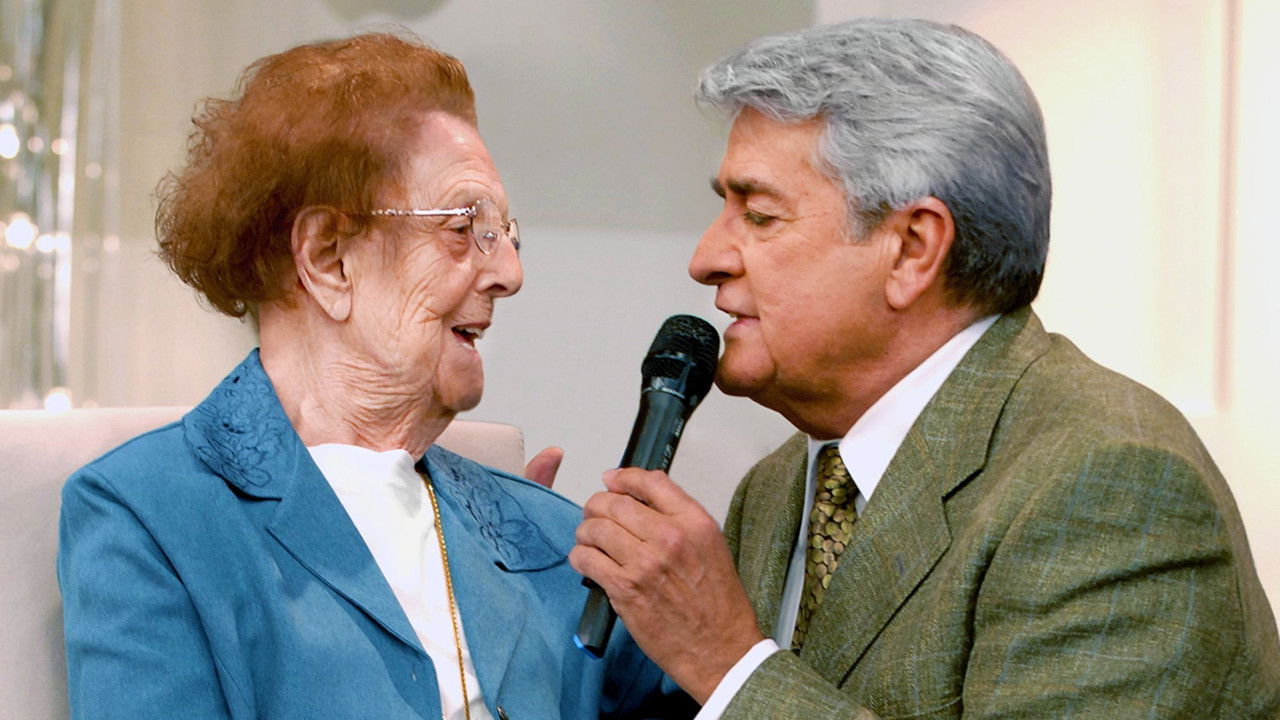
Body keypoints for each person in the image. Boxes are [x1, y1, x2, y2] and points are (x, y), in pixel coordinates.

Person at [570, 18, 1280, 719]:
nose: (706, 258)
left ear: (913, 249)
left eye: (758, 216)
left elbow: (733, 677)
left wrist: (727, 665)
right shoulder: (779, 485)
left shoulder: (1109, 482)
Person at [57, 33, 691, 720]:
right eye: (464, 228)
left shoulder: (552, 538)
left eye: (508, 233)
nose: (510, 273)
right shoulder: (152, 517)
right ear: (329, 259)